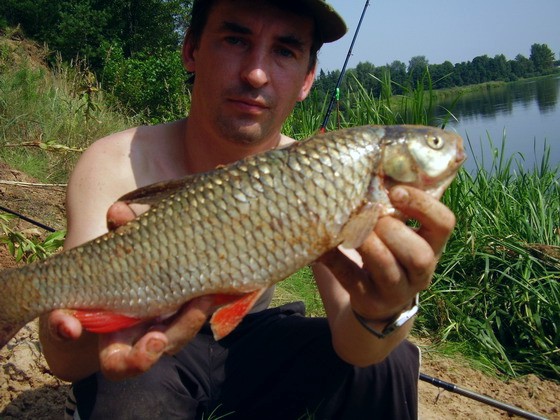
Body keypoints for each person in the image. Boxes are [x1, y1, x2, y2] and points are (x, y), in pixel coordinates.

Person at [39, 0, 456, 418]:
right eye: (235, 39)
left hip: (252, 335)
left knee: (390, 363)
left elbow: (358, 348)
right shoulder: (115, 163)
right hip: (148, 337)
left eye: (284, 50)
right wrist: (82, 324)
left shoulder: (325, 173)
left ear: (307, 79)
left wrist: (385, 308)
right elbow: (65, 361)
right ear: (191, 50)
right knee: (128, 386)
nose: (256, 73)